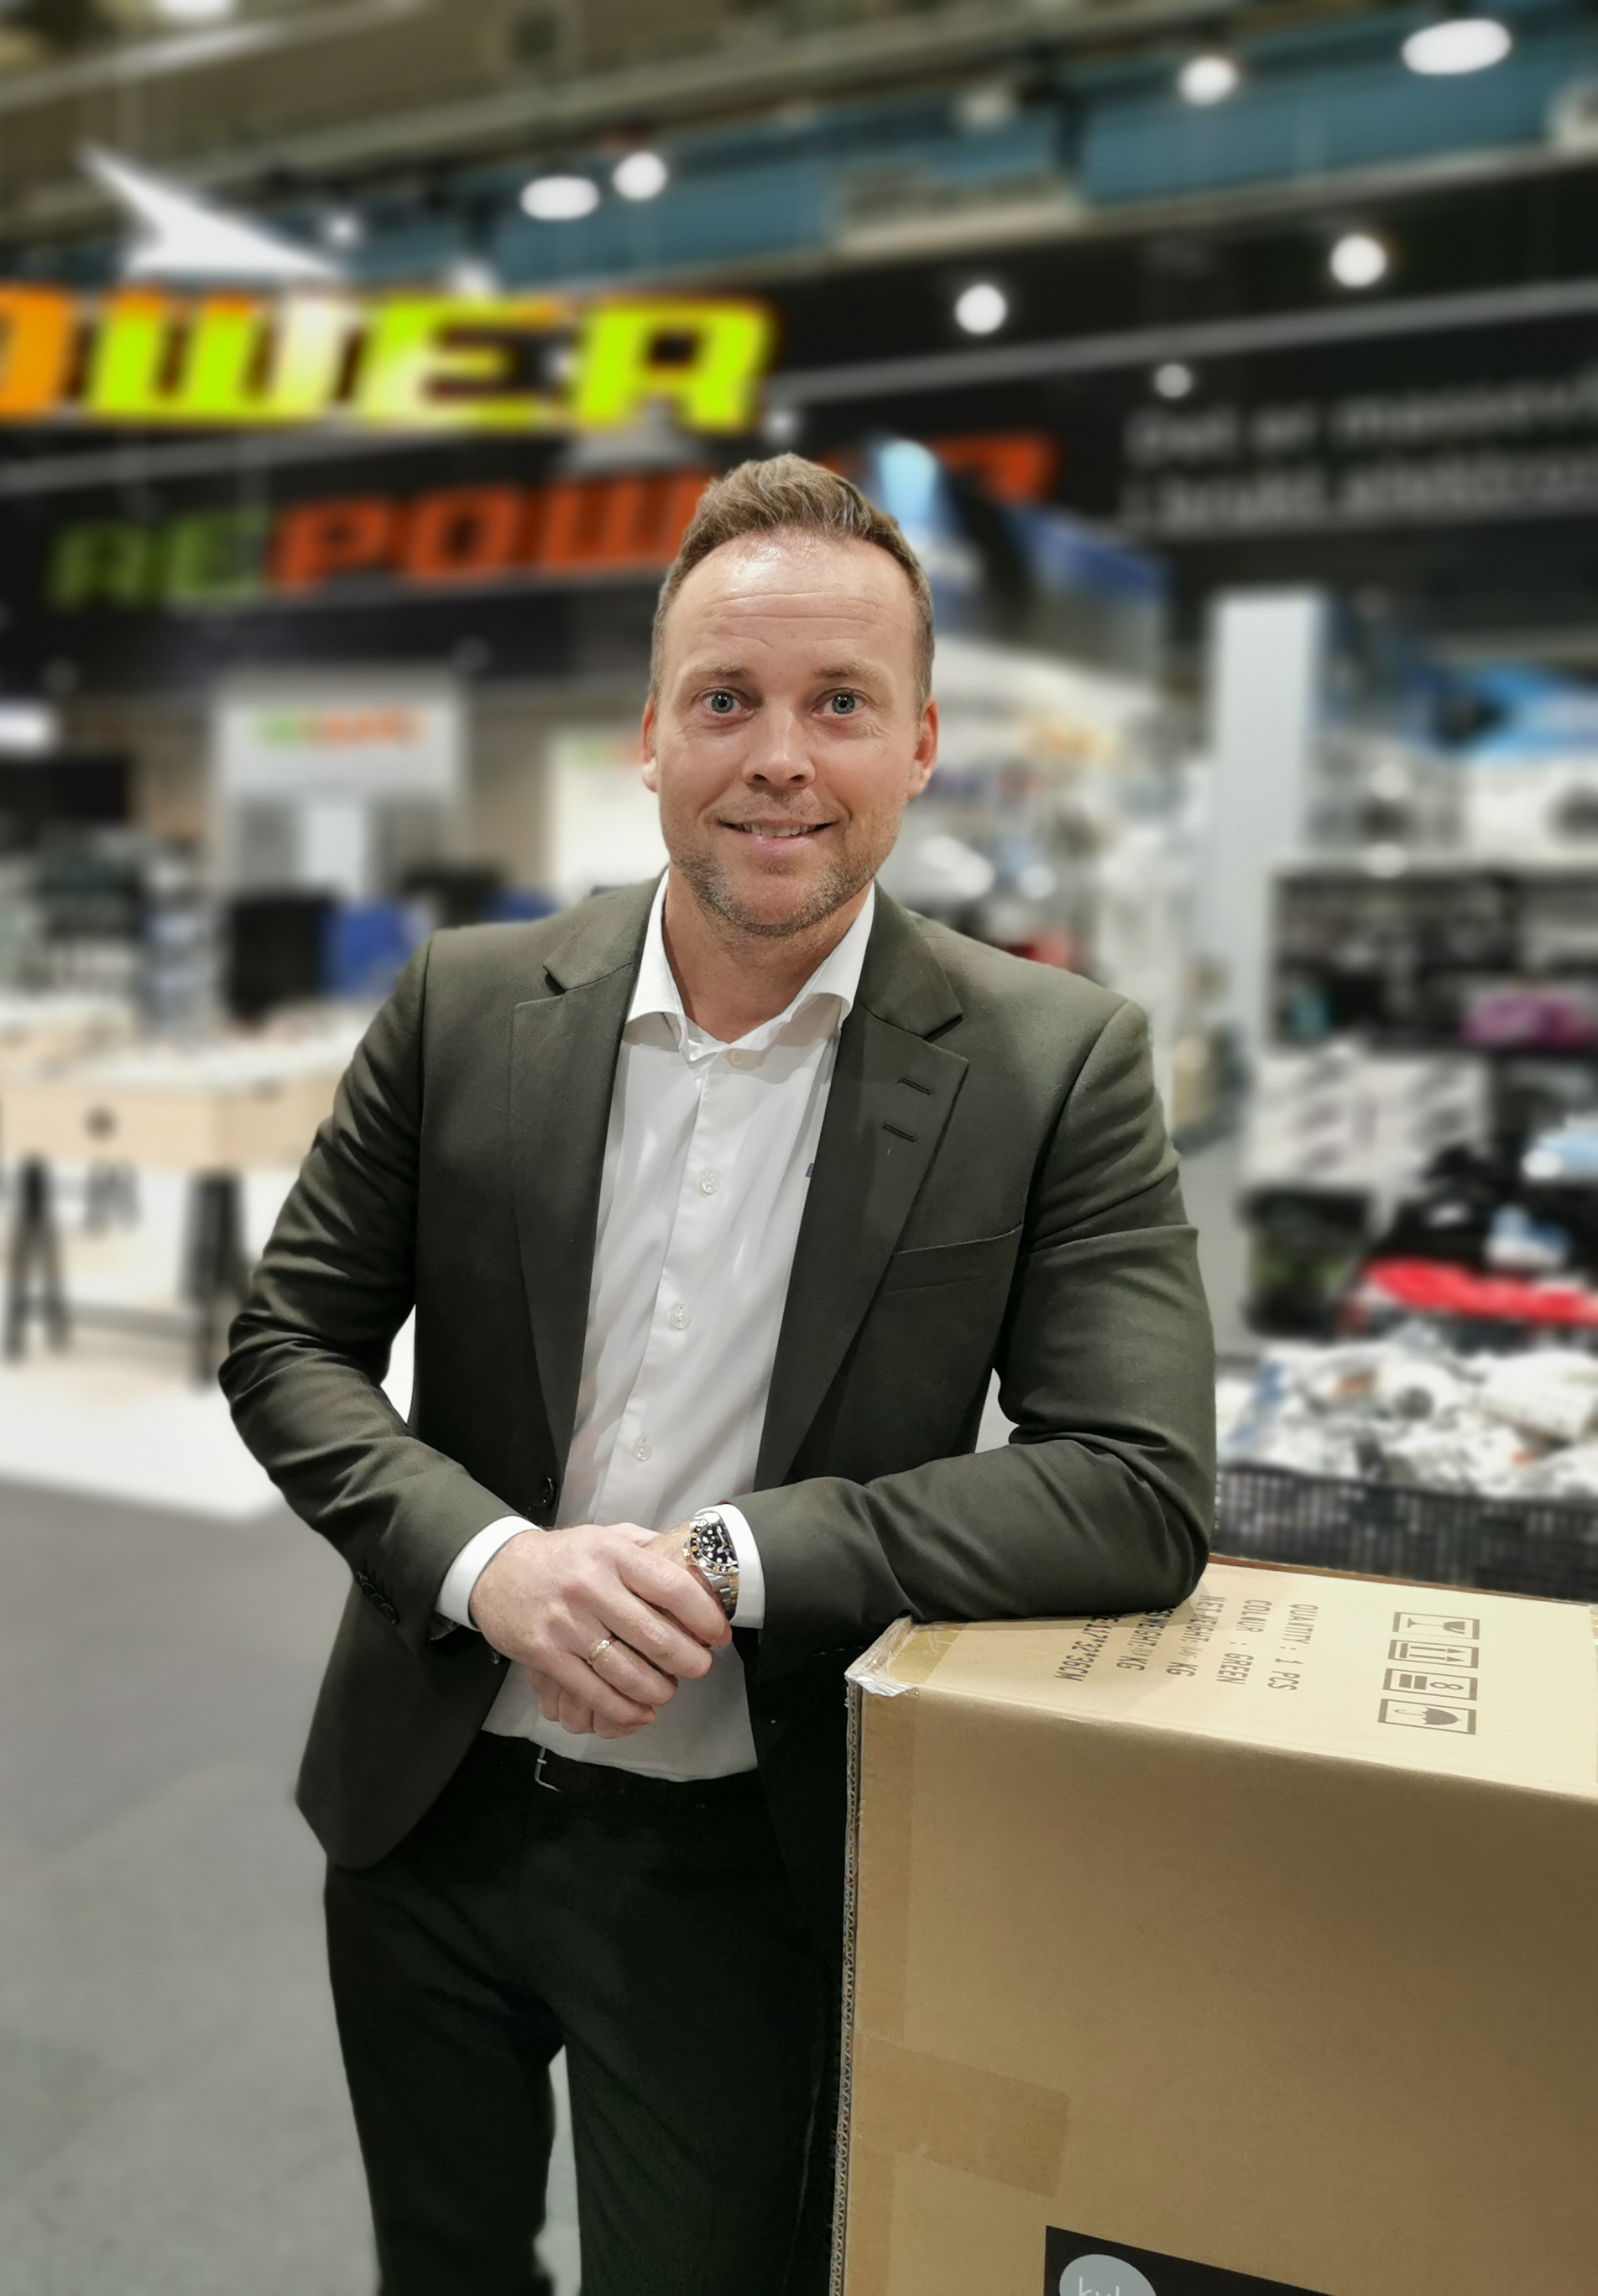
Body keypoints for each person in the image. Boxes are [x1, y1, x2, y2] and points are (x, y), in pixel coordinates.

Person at [222, 456, 1214, 2294]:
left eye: (840, 704)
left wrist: (734, 1561)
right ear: (652, 735)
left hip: (750, 1847)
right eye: (727, 699)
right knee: (440, 2261)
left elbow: (1134, 1486)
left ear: (920, 745)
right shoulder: (465, 1006)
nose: (779, 757)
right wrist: (490, 1565)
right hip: (425, 1804)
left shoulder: (1050, 1064)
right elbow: (290, 1344)